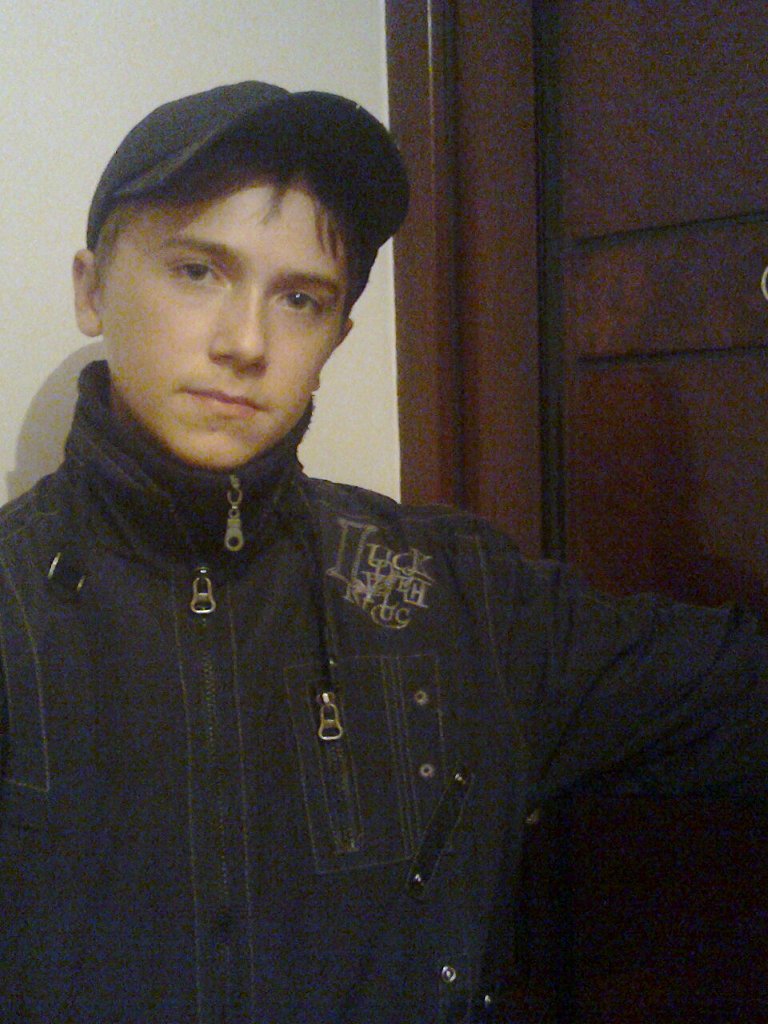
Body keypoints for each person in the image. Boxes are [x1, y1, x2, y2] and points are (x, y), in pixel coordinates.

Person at [0, 80, 765, 1024]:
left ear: (338, 334)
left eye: (300, 298)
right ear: (91, 290)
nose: (246, 342)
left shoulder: (462, 600)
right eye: (197, 271)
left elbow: (729, 695)